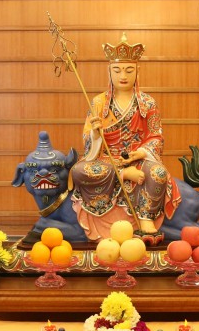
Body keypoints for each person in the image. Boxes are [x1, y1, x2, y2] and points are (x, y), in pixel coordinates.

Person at [70, 33, 181, 241]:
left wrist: (140, 153)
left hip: (138, 160)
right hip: (107, 161)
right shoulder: (98, 103)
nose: (123, 75)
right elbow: (88, 145)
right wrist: (95, 134)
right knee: (78, 171)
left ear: (137, 71)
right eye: (117, 70)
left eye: (129, 70)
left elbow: (156, 137)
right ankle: (122, 175)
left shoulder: (147, 103)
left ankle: (146, 218)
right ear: (109, 71)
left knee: (158, 172)